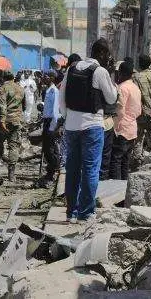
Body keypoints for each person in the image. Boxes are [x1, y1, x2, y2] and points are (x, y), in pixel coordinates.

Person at [60, 38, 118, 223]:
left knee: (73, 169)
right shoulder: (100, 71)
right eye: (107, 54)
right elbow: (111, 98)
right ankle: (86, 213)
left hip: (72, 126)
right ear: (102, 54)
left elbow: (63, 97)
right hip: (92, 126)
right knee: (91, 170)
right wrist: (112, 77)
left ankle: (71, 213)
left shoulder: (72, 68)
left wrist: (68, 117)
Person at [0, 71, 24, 186]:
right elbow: (22, 106)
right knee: (13, 146)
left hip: (3, 122)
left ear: (3, 78)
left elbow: (2, 106)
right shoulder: (20, 88)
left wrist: (2, 120)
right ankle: (11, 174)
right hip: (16, 121)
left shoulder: (3, 88)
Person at [110, 59, 142, 180]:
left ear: (121, 73)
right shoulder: (135, 88)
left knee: (116, 161)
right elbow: (138, 111)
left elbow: (120, 111)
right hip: (132, 128)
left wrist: (115, 127)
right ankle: (124, 190)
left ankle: (115, 192)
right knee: (125, 162)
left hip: (122, 129)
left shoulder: (122, 88)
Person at [38, 70, 61, 187]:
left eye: (46, 76)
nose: (44, 78)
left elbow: (55, 111)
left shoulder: (54, 91)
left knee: (50, 149)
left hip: (51, 122)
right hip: (47, 121)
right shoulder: (48, 90)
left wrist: (53, 127)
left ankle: (52, 172)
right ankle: (51, 171)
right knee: (47, 149)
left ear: (52, 78)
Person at [99, 58, 119, 181]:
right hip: (107, 122)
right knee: (105, 156)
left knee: (101, 155)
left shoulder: (101, 85)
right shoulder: (114, 86)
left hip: (102, 122)